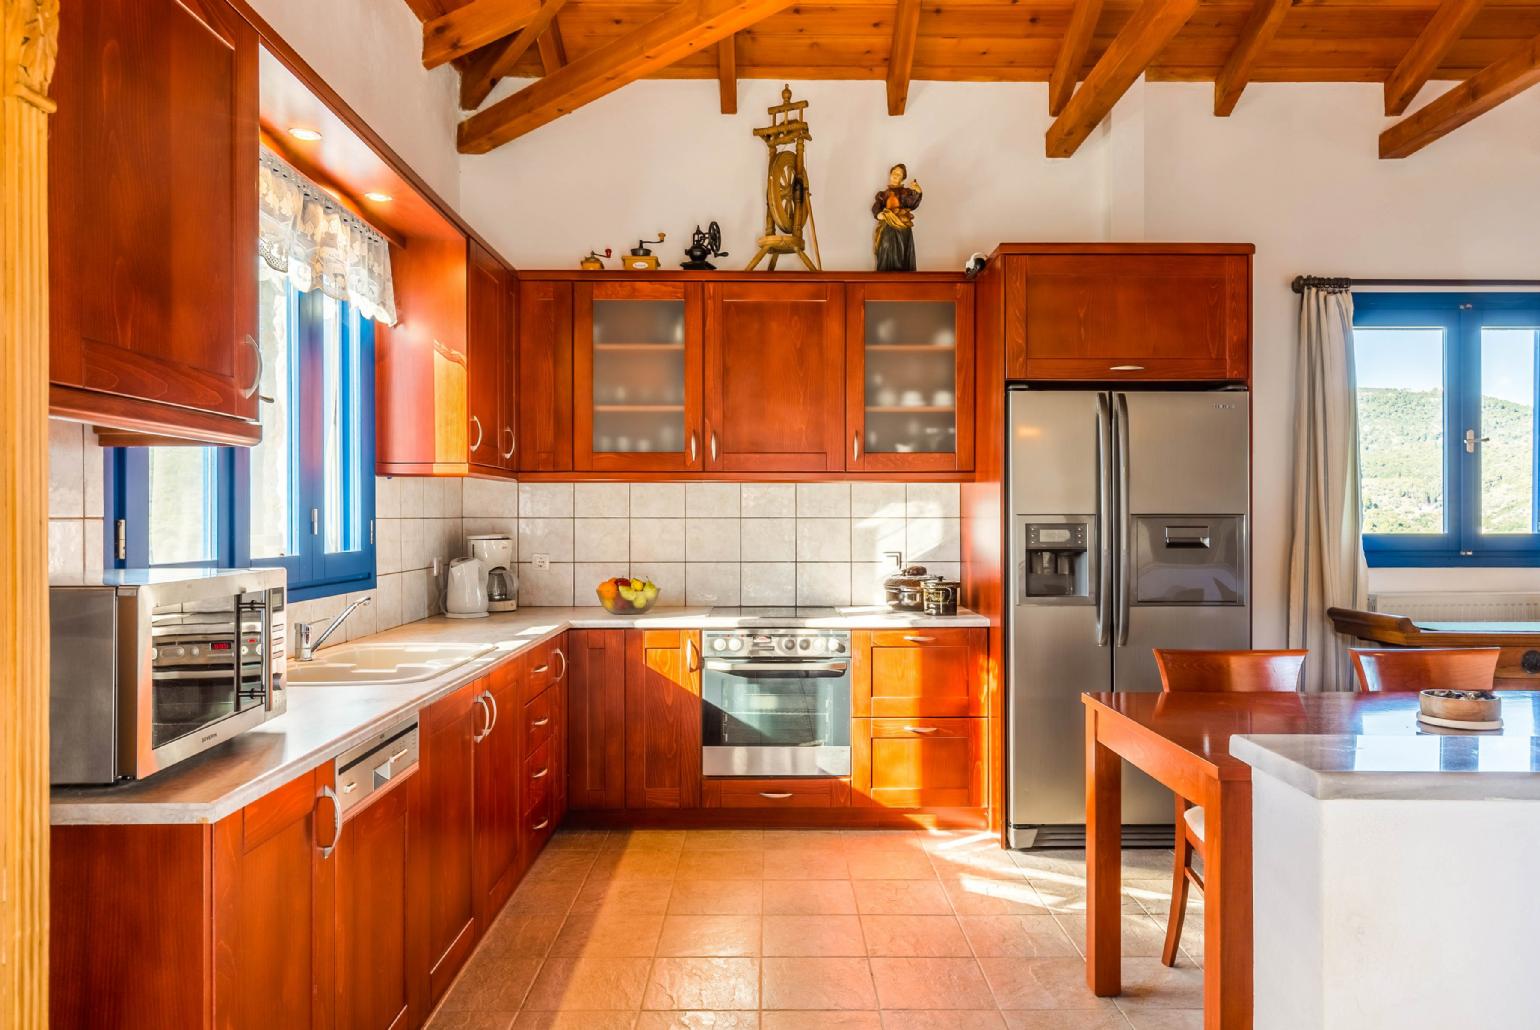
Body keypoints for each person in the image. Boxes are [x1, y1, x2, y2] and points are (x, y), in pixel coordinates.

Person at [872, 163, 922, 271]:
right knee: (885, 249)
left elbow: (911, 203)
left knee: (902, 254)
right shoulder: (882, 194)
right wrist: (879, 214)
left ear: (902, 179)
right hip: (887, 227)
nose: (895, 176)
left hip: (902, 229)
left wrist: (917, 192)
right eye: (894, 173)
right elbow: (876, 207)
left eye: (899, 174)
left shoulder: (905, 193)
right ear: (890, 175)